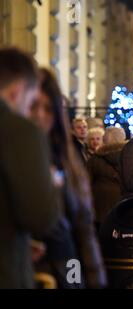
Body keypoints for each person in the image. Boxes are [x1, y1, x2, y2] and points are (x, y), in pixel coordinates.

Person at [29, 68, 107, 288]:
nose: (41, 116)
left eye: (48, 109)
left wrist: (94, 278)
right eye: (34, 106)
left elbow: (83, 227)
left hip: (68, 262)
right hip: (34, 268)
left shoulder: (66, 156)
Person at [0, 47, 59, 288]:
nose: (30, 112)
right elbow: (41, 218)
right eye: (31, 102)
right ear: (17, 92)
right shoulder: (20, 132)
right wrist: (52, 183)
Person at [87, 127, 127, 227]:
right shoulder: (130, 156)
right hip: (124, 206)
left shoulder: (95, 159)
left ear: (104, 139)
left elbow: (86, 181)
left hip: (100, 207)